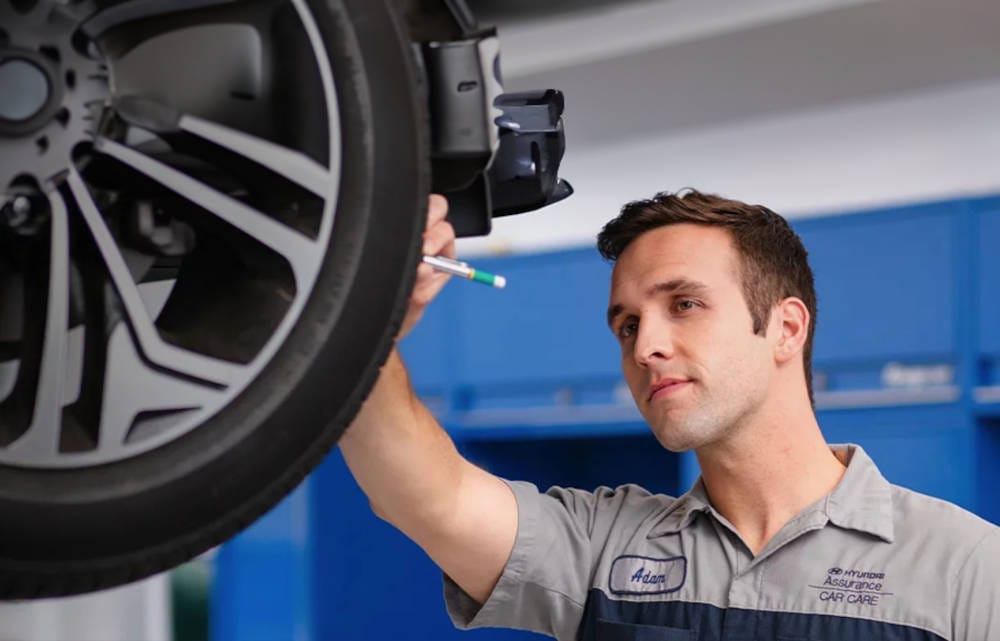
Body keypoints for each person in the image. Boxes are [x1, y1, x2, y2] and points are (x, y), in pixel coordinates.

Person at [339, 190, 1000, 641]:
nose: (644, 344)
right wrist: (365, 317)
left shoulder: (966, 567)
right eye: (626, 324)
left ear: (785, 328)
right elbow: (426, 497)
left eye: (683, 303)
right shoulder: (605, 547)